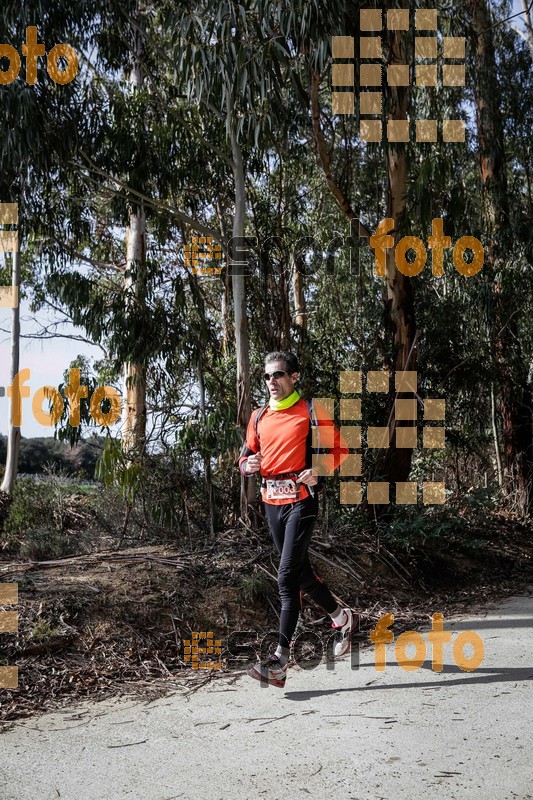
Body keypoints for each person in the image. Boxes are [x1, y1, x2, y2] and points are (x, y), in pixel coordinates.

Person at [238, 350, 355, 687]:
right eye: (267, 376)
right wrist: (247, 466)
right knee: (301, 574)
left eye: (277, 375)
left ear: (294, 378)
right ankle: (341, 617)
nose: (271, 382)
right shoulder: (259, 416)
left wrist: (318, 471)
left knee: (286, 575)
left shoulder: (310, 411)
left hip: (301, 502)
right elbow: (245, 457)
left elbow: (340, 451)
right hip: (270, 503)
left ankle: (279, 661)